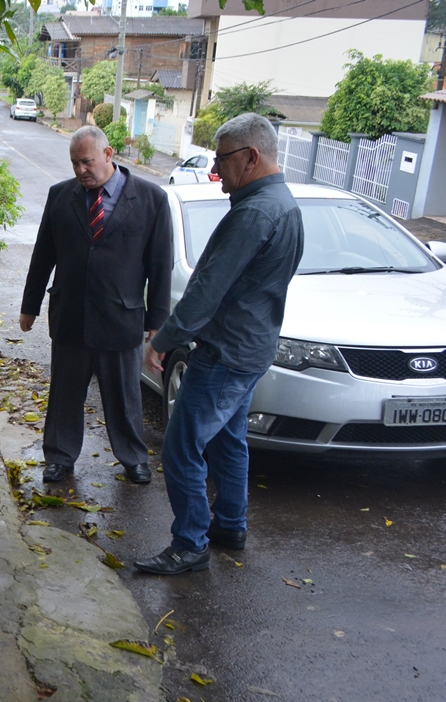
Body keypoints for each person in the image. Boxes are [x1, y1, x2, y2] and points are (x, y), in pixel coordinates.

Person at [135, 113, 304, 576]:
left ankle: (190, 543)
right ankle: (229, 524)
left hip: (225, 353)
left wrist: (164, 340)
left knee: (181, 446)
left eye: (222, 158)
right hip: (251, 349)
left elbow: (208, 288)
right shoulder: (283, 204)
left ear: (251, 157)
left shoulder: (255, 213)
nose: (215, 168)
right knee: (229, 440)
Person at [19, 126, 172, 485]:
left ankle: (133, 458)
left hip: (121, 317)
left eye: (87, 162)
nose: (81, 170)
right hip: (71, 316)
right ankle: (59, 457)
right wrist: (30, 306)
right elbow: (43, 255)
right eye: (75, 163)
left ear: (108, 154)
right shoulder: (60, 196)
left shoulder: (151, 199)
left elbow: (160, 265)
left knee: (124, 397)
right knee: (64, 394)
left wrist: (158, 322)